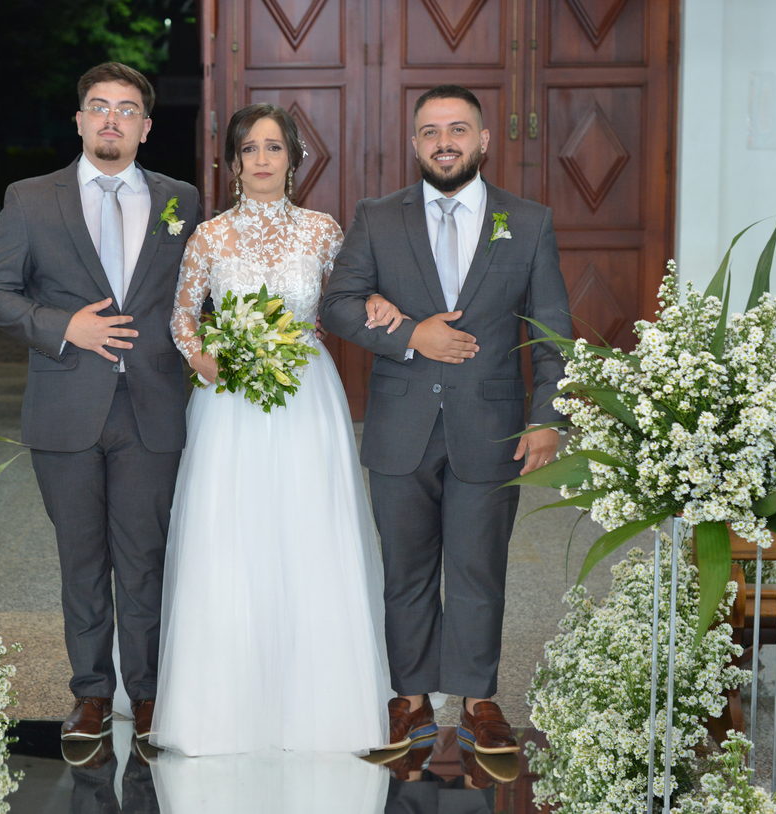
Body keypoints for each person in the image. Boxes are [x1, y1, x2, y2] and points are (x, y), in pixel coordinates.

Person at [320, 84, 571, 755]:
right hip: (401, 426)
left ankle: (479, 700)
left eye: (459, 129)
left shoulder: (528, 221)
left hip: (491, 428)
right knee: (405, 570)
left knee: (478, 567)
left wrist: (546, 418)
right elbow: (338, 304)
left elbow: (551, 334)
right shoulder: (378, 217)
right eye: (431, 131)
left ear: (484, 140)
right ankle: (410, 697)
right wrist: (408, 335)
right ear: (414, 143)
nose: (445, 141)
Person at [149, 103, 391, 756]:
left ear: (293, 160)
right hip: (228, 403)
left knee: (310, 534)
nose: (262, 159)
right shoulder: (208, 237)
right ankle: (221, 708)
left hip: (307, 399)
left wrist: (375, 301)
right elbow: (181, 317)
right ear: (232, 164)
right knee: (229, 535)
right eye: (249, 148)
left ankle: (322, 706)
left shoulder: (322, 231)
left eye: (274, 148)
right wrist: (199, 354)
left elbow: (346, 299)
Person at [0, 62, 201, 742]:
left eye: (126, 109)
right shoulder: (31, 198)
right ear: (78, 120)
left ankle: (152, 693)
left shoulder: (181, 200)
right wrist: (62, 326)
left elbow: (202, 294)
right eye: (98, 107)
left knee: (144, 559)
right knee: (81, 559)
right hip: (66, 408)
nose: (111, 119)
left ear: (146, 126)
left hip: (153, 407)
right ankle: (92, 694)